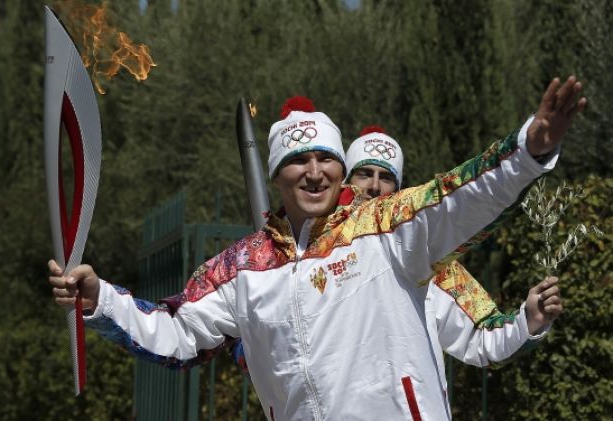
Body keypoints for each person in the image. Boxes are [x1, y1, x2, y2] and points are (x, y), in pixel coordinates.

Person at [49, 77, 585, 420]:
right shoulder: (240, 267)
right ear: (278, 174)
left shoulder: (383, 228)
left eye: (325, 159)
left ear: (338, 167)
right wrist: (103, 300)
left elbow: (457, 195)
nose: (313, 172)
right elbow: (177, 333)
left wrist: (529, 151)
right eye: (297, 161)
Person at [229, 126, 564, 415]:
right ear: (343, 180)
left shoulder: (432, 264)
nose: (375, 186)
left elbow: (483, 339)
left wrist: (526, 323)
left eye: (386, 176)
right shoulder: (285, 265)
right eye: (365, 173)